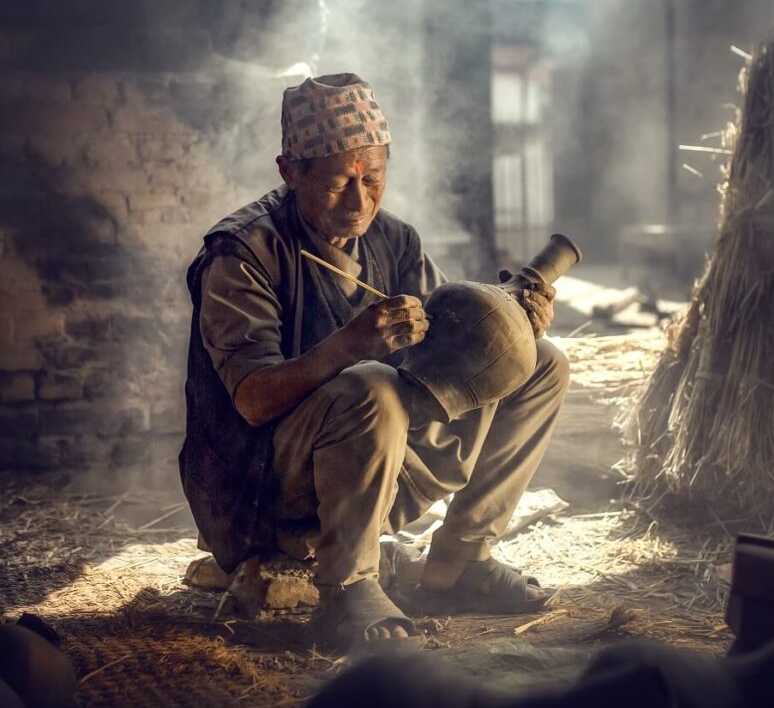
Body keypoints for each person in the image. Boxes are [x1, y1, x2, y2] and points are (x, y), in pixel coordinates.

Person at [179, 73, 570, 650]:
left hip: (372, 466)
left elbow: (450, 344)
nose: (360, 201)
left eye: (374, 178)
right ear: (290, 172)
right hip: (263, 485)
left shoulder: (394, 240)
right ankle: (347, 589)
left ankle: (459, 561)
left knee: (539, 365)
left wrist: (513, 318)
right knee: (372, 385)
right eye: (339, 183)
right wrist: (349, 344)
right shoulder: (243, 254)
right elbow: (253, 399)